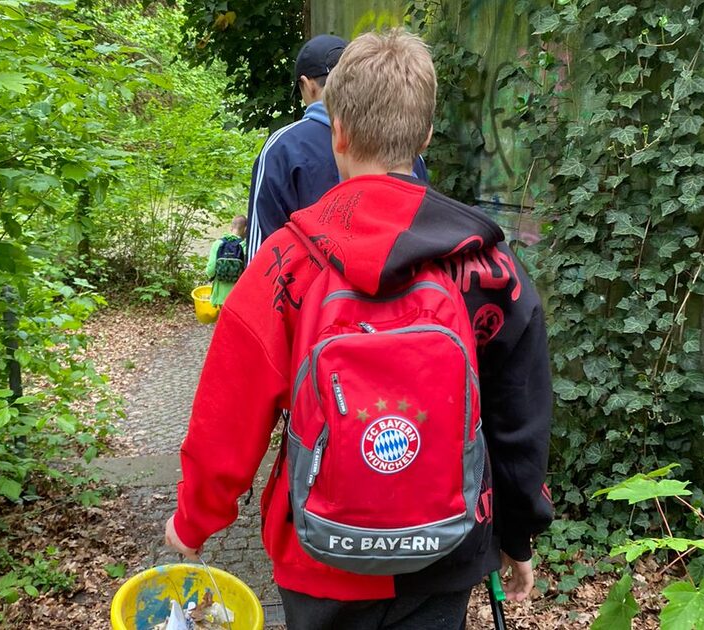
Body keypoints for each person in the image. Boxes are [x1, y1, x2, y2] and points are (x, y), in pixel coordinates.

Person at [166, 30, 553, 629]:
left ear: (336, 131)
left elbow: (228, 414)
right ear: (424, 136)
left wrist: (194, 520)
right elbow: (517, 414)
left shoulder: (284, 266)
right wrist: (519, 532)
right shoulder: (484, 265)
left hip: (319, 552)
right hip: (445, 545)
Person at [246, 34, 428, 262]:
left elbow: (260, 253)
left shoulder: (282, 147)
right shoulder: (403, 146)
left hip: (307, 291)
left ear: (306, 84)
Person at [205, 215, 246, 308]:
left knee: (222, 319)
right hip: (238, 294)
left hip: (220, 295)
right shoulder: (244, 246)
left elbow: (210, 270)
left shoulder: (218, 244)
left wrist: (212, 277)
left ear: (231, 227)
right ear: (245, 229)